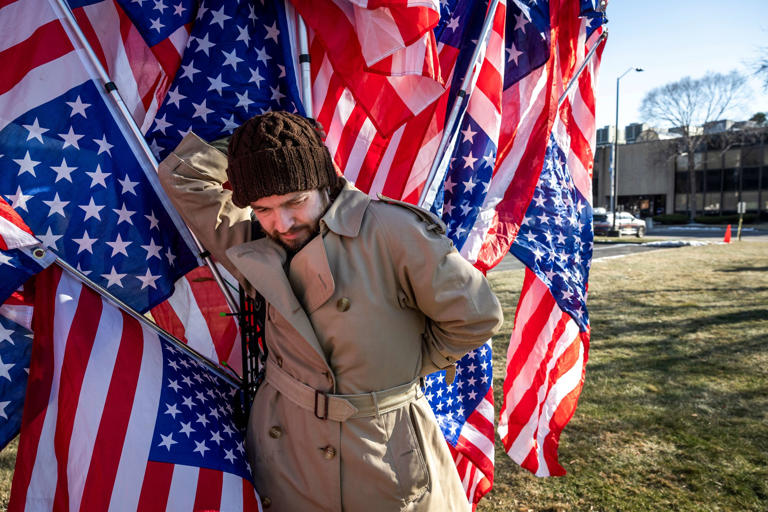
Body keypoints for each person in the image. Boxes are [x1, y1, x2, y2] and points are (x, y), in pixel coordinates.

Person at [158, 111, 503, 511]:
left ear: (323, 179)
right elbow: (183, 177)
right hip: (288, 449)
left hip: (381, 449)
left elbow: (476, 315)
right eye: (263, 208)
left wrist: (401, 367)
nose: (282, 223)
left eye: (295, 201)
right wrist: (248, 147)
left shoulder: (391, 231)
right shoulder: (258, 245)